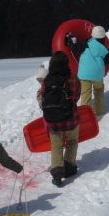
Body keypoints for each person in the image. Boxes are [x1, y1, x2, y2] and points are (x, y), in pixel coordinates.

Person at [37, 52, 81, 187]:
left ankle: (57, 173)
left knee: (56, 146)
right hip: (70, 120)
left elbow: (40, 95)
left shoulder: (47, 80)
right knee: (72, 142)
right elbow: (76, 96)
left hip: (53, 122)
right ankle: (69, 167)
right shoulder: (73, 78)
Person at [77, 26, 109, 117]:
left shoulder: (85, 44)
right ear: (103, 37)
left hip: (84, 75)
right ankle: (100, 110)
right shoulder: (104, 49)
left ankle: (85, 114)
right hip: (98, 75)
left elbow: (76, 49)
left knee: (86, 94)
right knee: (99, 91)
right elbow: (107, 60)